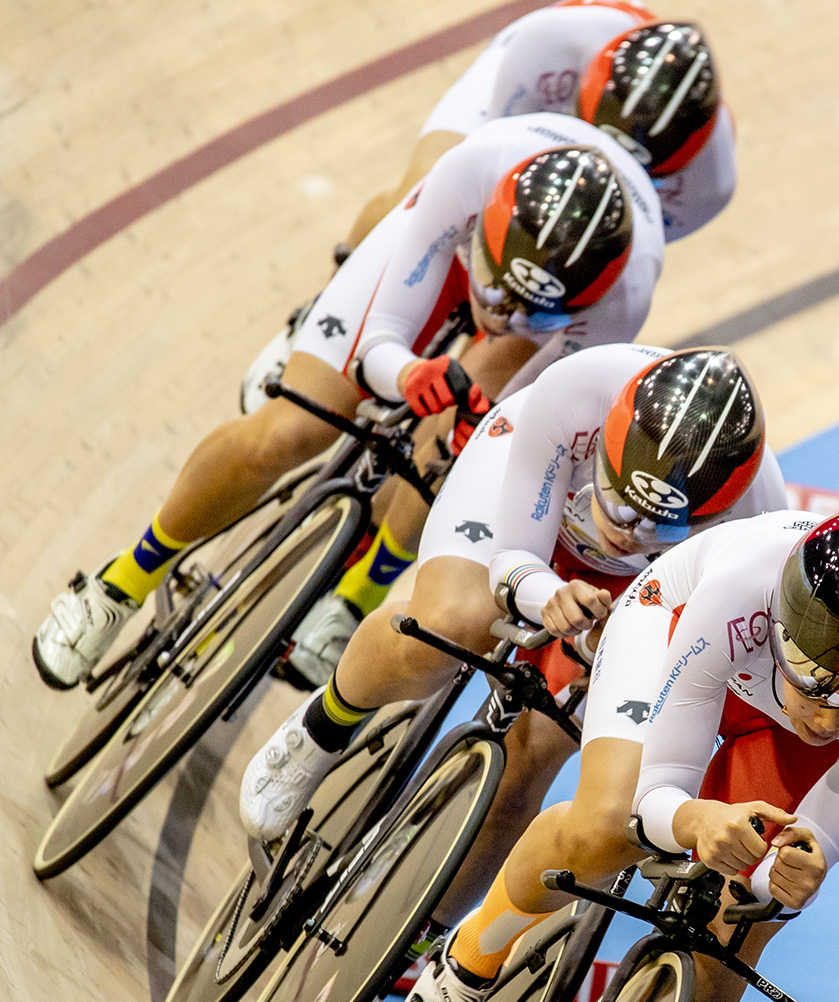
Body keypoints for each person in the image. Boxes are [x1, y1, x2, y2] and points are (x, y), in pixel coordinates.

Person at [237, 344, 784, 1002]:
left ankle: (393, 953)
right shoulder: (577, 392)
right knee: (444, 629)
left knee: (538, 753)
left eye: (657, 518)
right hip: (531, 512)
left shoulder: (754, 523)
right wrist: (539, 591)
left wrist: (617, 659)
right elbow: (514, 551)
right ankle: (320, 728)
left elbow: (693, 654)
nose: (625, 525)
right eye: (620, 495)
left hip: (640, 594)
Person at [31, 114, 664, 690]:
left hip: (544, 313)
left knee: (462, 441)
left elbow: (531, 426)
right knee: (288, 432)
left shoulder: (617, 303)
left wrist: (471, 428)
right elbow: (381, 337)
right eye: (499, 291)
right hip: (450, 253)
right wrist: (410, 373)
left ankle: (357, 592)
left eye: (530, 306)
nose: (502, 314)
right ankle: (124, 581)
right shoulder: (471, 175)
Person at [389, 509, 839, 1002]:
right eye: (819, 684)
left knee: (734, 940)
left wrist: (791, 874)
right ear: (787, 630)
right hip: (678, 628)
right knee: (607, 823)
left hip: (770, 717)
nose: (830, 718)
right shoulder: (739, 593)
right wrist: (691, 820)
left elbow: (811, 845)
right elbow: (658, 794)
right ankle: (460, 973)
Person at [279, 12, 738, 684]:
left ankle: (368, 580)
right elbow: (449, 187)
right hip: (502, 177)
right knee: (418, 190)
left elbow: (551, 373)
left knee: (481, 405)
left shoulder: (705, 184)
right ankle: (315, 316)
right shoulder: (550, 45)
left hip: (571, 254)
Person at [342, 3, 734, 254]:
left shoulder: (706, 189)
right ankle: (340, 281)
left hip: (600, 170)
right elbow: (491, 149)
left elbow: (618, 255)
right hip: (533, 94)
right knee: (417, 201)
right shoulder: (555, 41)